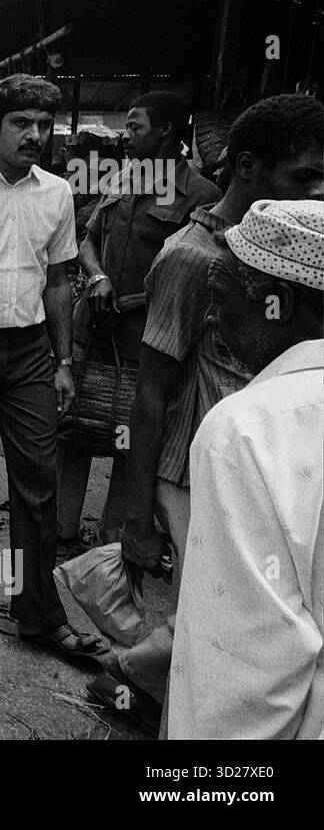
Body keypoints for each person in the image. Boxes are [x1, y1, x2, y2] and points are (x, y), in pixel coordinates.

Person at [92, 92, 324, 727]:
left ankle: (148, 681)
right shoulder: (195, 258)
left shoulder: (301, 254)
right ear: (247, 167)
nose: (318, 191)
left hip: (273, 471)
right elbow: (150, 391)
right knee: (226, 641)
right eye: (304, 177)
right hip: (201, 474)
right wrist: (136, 514)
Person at [0, 74, 107, 663]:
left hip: (32, 351)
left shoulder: (57, 194)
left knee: (37, 484)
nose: (36, 136)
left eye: (44, 126)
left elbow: (60, 280)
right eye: (22, 125)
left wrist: (64, 360)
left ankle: (35, 612)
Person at [167, 200, 323, 739]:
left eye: (220, 299)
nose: (211, 317)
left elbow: (242, 671)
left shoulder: (247, 430)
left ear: (276, 304)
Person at [57, 92, 221, 543]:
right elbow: (86, 239)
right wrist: (96, 279)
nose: (126, 136)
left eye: (136, 127)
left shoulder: (202, 196)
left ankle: (115, 540)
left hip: (150, 340)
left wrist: (128, 301)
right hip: (94, 330)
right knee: (75, 429)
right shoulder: (120, 179)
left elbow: (199, 276)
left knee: (132, 438)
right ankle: (60, 533)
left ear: (167, 130)